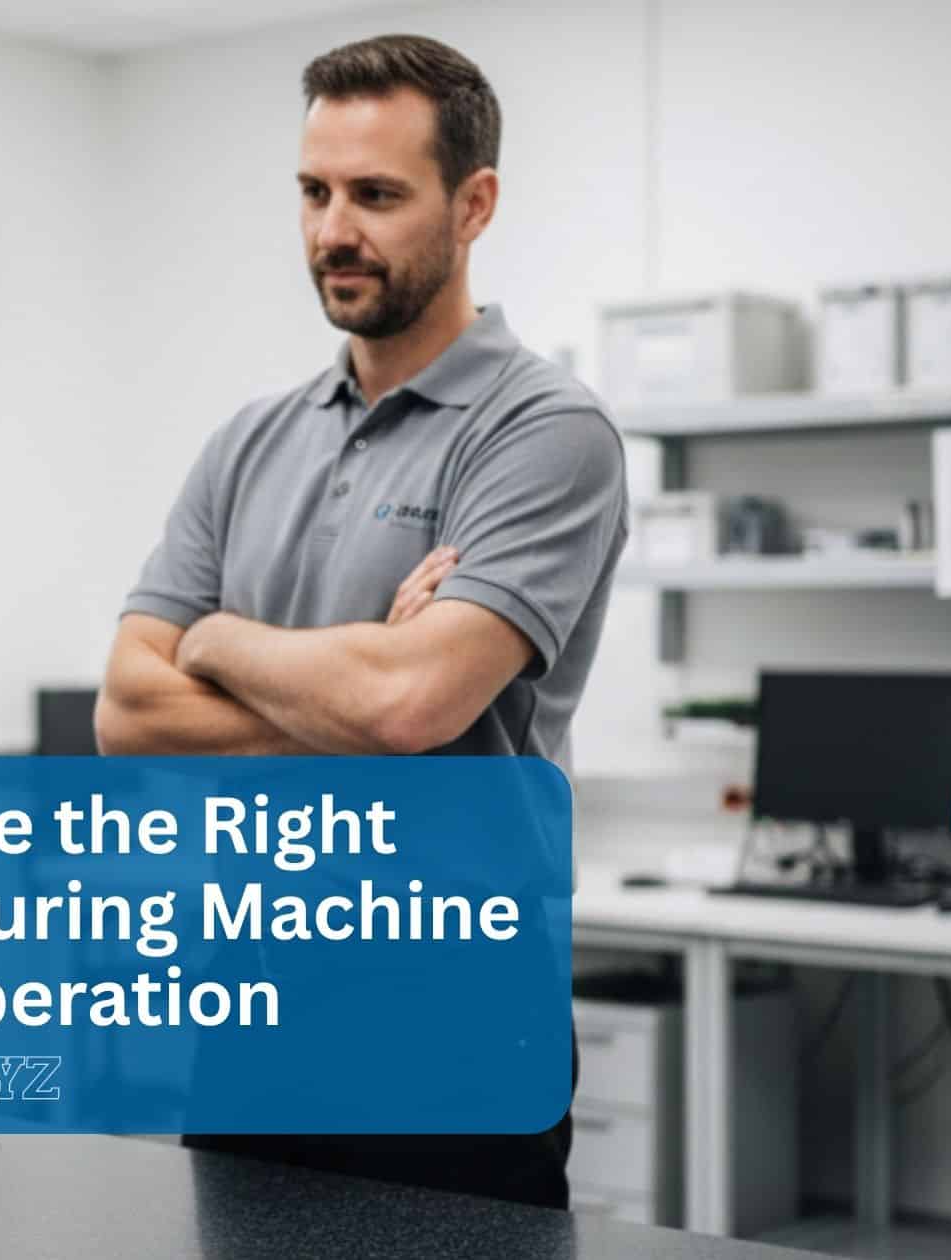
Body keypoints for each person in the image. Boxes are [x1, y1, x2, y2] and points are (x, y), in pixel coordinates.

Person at [95, 33, 627, 1209]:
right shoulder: (251, 439)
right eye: (313, 191)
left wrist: (220, 641)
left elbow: (410, 701)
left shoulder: (543, 431)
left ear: (472, 203)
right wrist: (366, 689)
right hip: (249, 1014)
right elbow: (125, 710)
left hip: (451, 1030)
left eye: (377, 195)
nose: (334, 229)